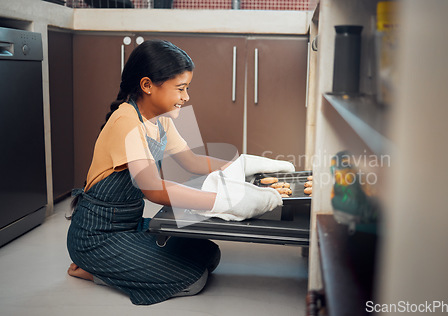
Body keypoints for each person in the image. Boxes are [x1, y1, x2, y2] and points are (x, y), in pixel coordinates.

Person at [66, 39, 293, 305]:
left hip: (129, 227)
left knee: (209, 254)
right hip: (97, 236)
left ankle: (120, 263)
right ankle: (94, 269)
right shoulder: (126, 122)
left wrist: (241, 166)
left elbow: (191, 161)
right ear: (147, 85)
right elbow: (153, 188)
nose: (186, 97)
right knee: (193, 279)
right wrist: (226, 202)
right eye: (180, 88)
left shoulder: (160, 118)